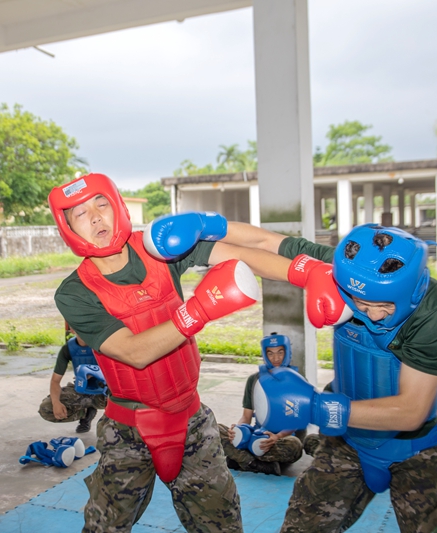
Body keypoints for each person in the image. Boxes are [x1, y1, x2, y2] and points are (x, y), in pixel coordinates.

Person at [152, 216, 437, 533]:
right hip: (346, 441)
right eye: (359, 303)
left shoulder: (432, 312)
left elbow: (411, 411)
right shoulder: (343, 268)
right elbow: (266, 242)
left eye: (383, 306)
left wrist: (314, 407)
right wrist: (207, 225)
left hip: (413, 448)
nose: (371, 314)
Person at [48, 174, 295, 533]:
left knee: (223, 527)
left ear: (117, 205)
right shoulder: (74, 292)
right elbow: (133, 352)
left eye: (101, 204)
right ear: (67, 227)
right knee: (103, 528)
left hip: (191, 419)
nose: (97, 217)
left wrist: (314, 271)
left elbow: (246, 252)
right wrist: (201, 309)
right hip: (127, 430)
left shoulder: (158, 248)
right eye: (81, 214)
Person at [218, 333, 305, 477]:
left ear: (287, 352)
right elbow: (246, 416)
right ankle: (257, 464)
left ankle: (240, 458)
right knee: (217, 430)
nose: (276, 358)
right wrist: (237, 430)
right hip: (255, 435)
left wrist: (277, 437)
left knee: (294, 446)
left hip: (281, 438)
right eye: (270, 353)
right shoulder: (254, 380)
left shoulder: (297, 381)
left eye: (280, 352)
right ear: (265, 354)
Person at [38, 323, 108, 433]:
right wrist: (56, 403)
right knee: (47, 409)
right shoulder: (68, 348)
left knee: (130, 406)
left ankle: (110, 420)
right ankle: (86, 414)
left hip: (104, 390)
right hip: (81, 389)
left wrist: (97, 373)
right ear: (72, 329)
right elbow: (55, 381)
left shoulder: (104, 344)